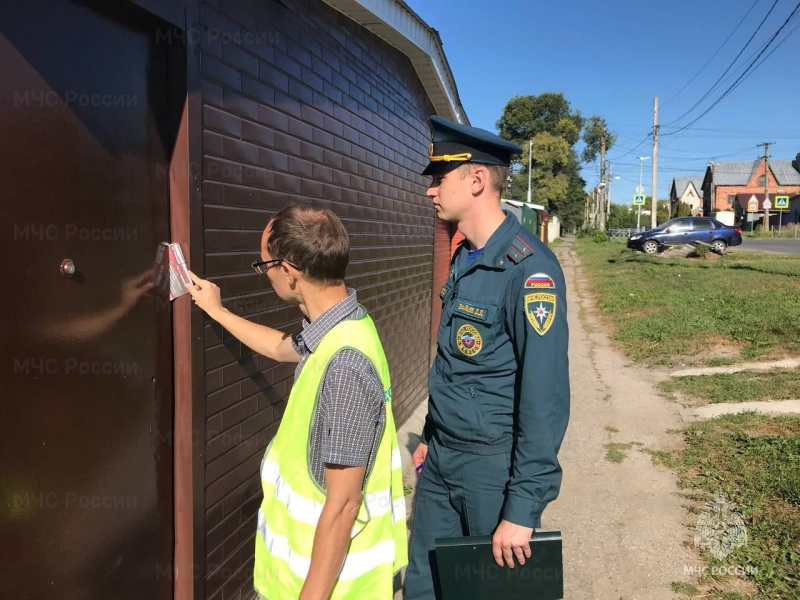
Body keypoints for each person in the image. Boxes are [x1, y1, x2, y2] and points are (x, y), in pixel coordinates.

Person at [186, 204, 407, 600]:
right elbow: (278, 346)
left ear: (289, 271)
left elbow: (343, 503)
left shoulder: (343, 365)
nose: (264, 273)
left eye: (264, 265)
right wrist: (216, 310)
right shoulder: (346, 323)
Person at [404, 116, 570, 599]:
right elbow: (458, 365)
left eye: (439, 178)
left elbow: (545, 397)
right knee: (425, 584)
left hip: (491, 470)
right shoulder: (466, 257)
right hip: (441, 459)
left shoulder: (530, 271)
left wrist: (522, 508)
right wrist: (431, 435)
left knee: (489, 591)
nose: (430, 191)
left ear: (476, 180)